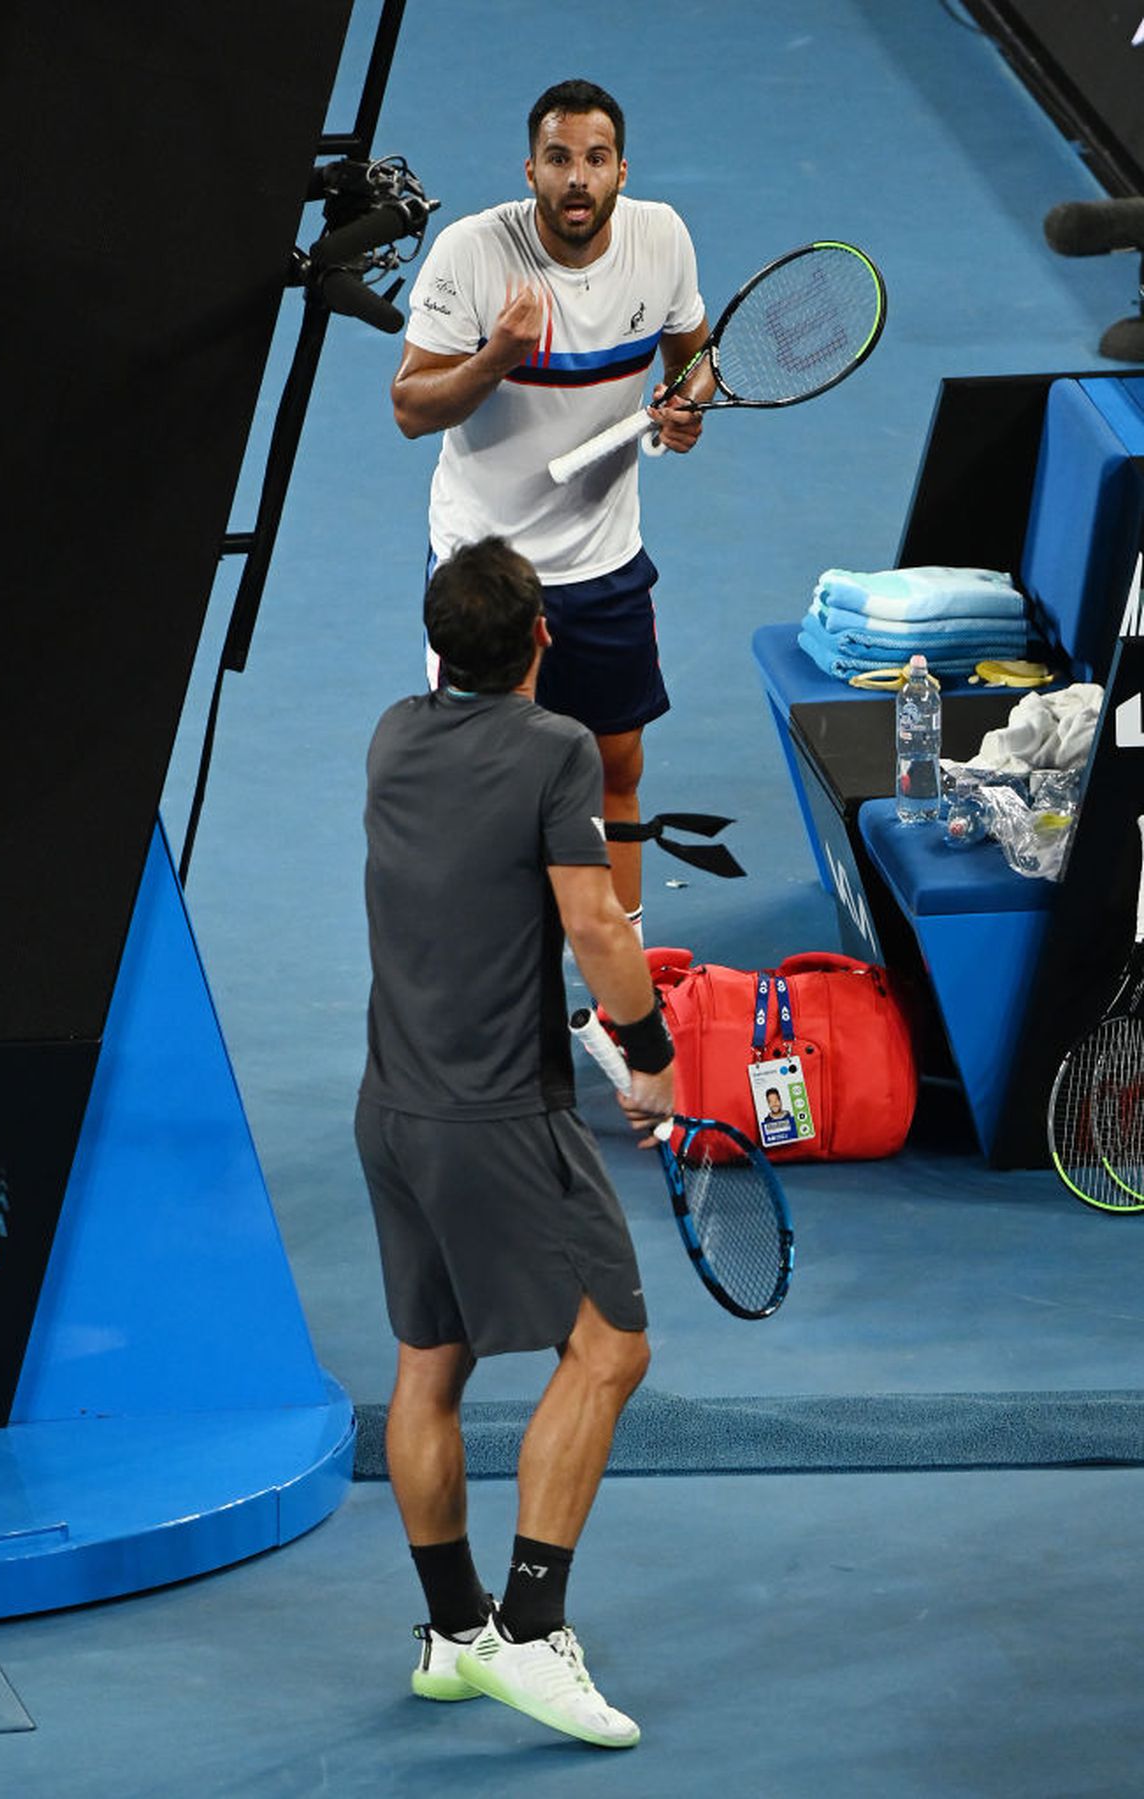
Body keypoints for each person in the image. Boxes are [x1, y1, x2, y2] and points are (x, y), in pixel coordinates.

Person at [355, 535, 675, 1751]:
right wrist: (647, 1056)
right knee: (609, 1350)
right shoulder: (556, 751)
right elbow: (594, 919)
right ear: (544, 639)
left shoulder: (393, 732)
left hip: (392, 1111)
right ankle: (532, 1633)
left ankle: (450, 1632)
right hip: (501, 1117)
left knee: (429, 1367)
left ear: (442, 651)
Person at [390, 77, 710, 938]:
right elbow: (412, 407)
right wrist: (497, 355)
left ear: (621, 170)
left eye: (596, 159)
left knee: (617, 764)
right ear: (529, 169)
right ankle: (482, 988)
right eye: (560, 158)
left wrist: (687, 405)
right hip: (485, 569)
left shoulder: (661, 239)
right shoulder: (471, 254)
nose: (578, 177)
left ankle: (629, 985)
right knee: (480, 792)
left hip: (602, 562)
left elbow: (694, 358)